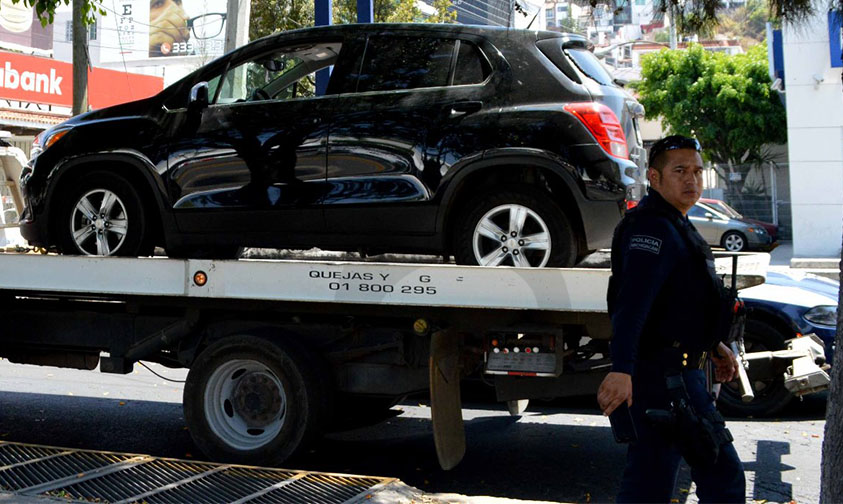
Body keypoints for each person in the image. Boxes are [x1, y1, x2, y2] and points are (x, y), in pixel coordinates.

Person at [597, 135, 746, 503]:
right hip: (664, 379)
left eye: (697, 171)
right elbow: (632, 303)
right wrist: (622, 369)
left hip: (678, 373)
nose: (691, 179)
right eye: (679, 171)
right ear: (654, 176)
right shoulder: (652, 228)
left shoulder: (675, 224)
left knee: (652, 480)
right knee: (720, 476)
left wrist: (713, 346)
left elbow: (680, 303)